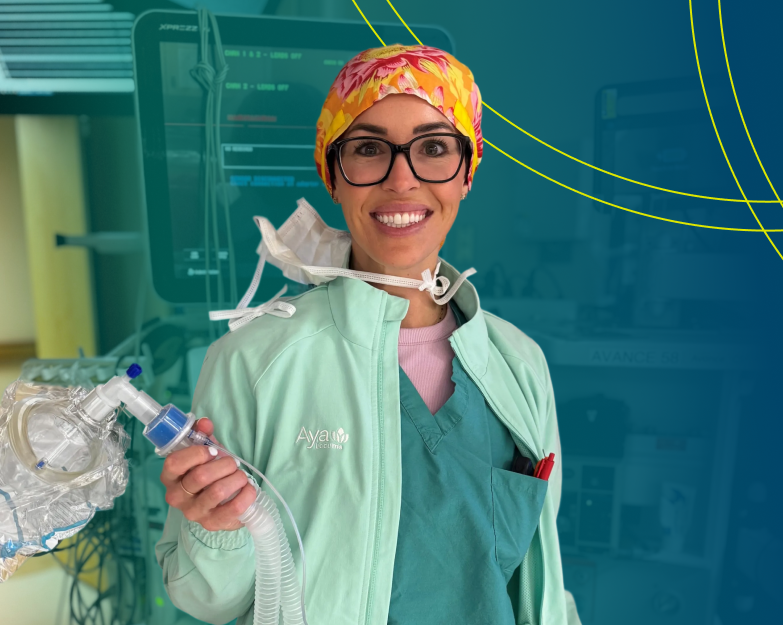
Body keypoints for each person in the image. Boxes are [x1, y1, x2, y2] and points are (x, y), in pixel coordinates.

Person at [154, 44, 580, 625]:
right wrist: (218, 526)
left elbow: (543, 582)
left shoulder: (517, 365)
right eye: (369, 150)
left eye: (433, 148)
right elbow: (210, 600)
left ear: (467, 173)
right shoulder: (253, 363)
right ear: (334, 175)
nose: (401, 179)